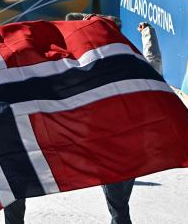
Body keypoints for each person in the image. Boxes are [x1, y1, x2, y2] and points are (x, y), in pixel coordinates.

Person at [66, 13, 163, 224]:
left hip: (109, 148)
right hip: (136, 145)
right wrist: (148, 33)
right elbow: (154, 61)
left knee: (119, 207)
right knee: (120, 203)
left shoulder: (93, 66)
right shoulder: (133, 62)